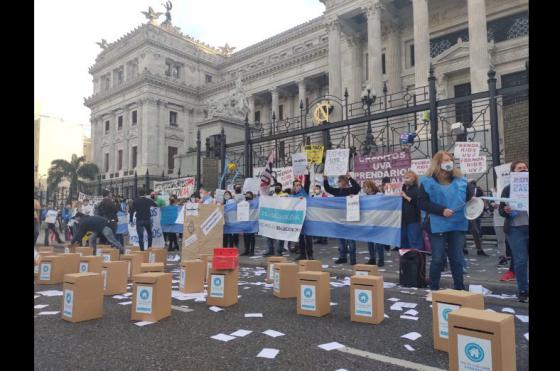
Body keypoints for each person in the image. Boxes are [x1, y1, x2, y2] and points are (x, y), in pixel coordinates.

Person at [418, 151, 471, 293]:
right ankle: (433, 288)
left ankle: (459, 288)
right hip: (438, 223)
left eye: (450, 159)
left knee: (457, 258)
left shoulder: (462, 180)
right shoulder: (427, 181)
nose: (449, 162)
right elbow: (422, 203)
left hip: (457, 223)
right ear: (438, 163)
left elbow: (470, 199)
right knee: (438, 258)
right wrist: (441, 210)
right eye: (446, 160)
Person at [499, 160, 529, 303]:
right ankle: (523, 290)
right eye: (519, 168)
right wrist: (506, 210)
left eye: (525, 168)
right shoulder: (507, 189)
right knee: (521, 260)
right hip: (515, 229)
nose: (523, 170)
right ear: (513, 172)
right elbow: (501, 210)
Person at [323, 173, 361, 265]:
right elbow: (328, 189)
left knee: (351, 240)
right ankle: (342, 257)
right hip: (339, 219)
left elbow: (358, 187)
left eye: (340, 181)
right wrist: (325, 180)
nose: (338, 183)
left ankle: (352, 259)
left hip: (350, 219)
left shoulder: (351, 190)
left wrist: (350, 177)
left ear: (344, 181)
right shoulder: (338, 191)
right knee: (341, 240)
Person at [360, 180, 385, 265]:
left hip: (378, 221)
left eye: (366, 187)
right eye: (364, 187)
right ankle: (372, 258)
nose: (365, 189)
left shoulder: (379, 195)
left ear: (371, 187)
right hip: (369, 221)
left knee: (379, 242)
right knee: (370, 241)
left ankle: (381, 259)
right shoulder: (363, 196)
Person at [291, 174, 313, 260]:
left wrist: (307, 174)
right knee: (300, 238)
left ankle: (310, 255)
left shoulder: (304, 192)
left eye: (299, 185)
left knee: (308, 238)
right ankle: (302, 255)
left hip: (306, 219)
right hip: (298, 220)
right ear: (293, 187)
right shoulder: (292, 196)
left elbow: (307, 183)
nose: (298, 186)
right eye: (296, 185)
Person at [264, 183, 288, 257]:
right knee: (269, 235)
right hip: (272, 218)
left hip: (281, 218)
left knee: (280, 236)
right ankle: (270, 250)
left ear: (281, 188)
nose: (277, 188)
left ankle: (279, 251)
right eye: (276, 187)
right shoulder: (272, 196)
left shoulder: (285, 195)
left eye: (278, 187)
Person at [400, 171, 423, 250]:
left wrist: (406, 196)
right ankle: (407, 260)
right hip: (404, 220)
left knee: (414, 242)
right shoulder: (404, 189)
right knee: (404, 241)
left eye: (407, 178)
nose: (405, 180)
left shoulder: (417, 189)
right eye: (405, 178)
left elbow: (418, 203)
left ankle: (417, 261)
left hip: (414, 220)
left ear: (413, 179)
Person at [466, 180, 488, 256]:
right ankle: (478, 249)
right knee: (474, 230)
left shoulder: (477, 189)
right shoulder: (466, 187)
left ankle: (476, 249)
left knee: (474, 230)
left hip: (471, 211)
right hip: (469, 211)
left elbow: (482, 199)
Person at [240, 191, 256, 256]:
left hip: (252, 222)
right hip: (245, 222)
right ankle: (246, 250)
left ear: (252, 196)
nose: (247, 196)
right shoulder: (243, 203)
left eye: (249, 195)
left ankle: (252, 251)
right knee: (246, 237)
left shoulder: (255, 203)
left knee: (252, 237)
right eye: (246, 195)